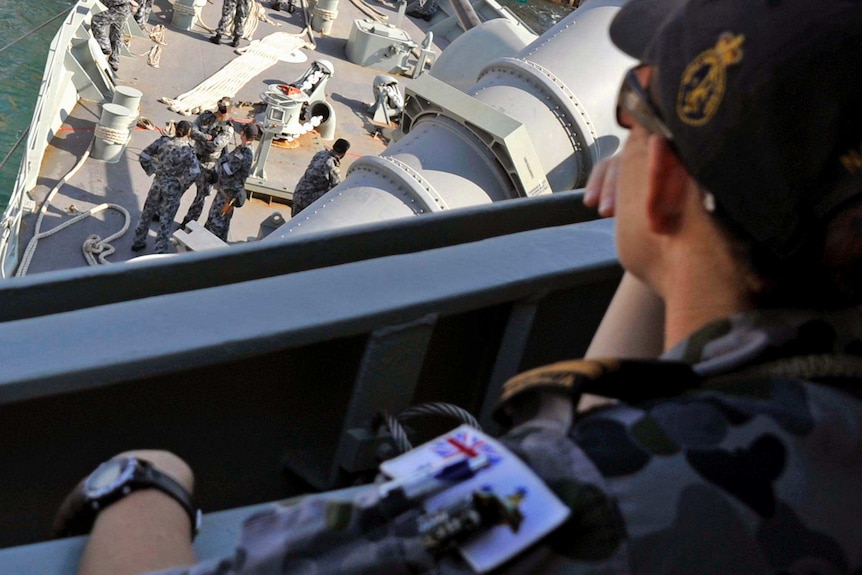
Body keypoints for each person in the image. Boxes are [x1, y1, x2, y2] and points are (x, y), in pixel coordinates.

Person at [54, 0, 862, 573]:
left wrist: (145, 478)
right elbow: (624, 423)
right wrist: (666, 235)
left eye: (634, 107)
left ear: (663, 191)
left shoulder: (574, 497)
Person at [131, 121, 200, 254]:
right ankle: (159, 249)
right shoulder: (188, 151)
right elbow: (195, 172)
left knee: (147, 213)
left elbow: (144, 156)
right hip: (173, 188)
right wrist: (182, 184)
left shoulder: (163, 142)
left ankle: (138, 241)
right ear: (188, 133)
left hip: (157, 184)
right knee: (166, 219)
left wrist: (152, 170)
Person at [181, 97, 236, 229]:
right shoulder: (206, 116)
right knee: (178, 187)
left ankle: (187, 224)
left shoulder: (228, 129)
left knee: (200, 198)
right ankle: (162, 212)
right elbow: (192, 131)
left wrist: (201, 137)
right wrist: (207, 137)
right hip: (193, 160)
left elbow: (215, 146)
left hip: (208, 166)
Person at [204, 122, 258, 242]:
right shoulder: (242, 148)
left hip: (228, 194)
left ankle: (208, 248)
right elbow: (227, 157)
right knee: (222, 222)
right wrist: (221, 161)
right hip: (225, 191)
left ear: (244, 134)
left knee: (216, 222)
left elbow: (228, 170)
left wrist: (217, 166)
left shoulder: (245, 153)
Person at [290, 138, 349, 217]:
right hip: (307, 200)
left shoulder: (321, 154)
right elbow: (337, 187)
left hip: (299, 192)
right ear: (344, 153)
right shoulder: (332, 166)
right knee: (332, 194)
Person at [91, 0, 137, 72]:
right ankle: (114, 61)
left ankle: (105, 46)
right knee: (117, 32)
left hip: (120, 7)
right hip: (124, 7)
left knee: (96, 21)